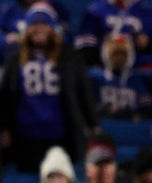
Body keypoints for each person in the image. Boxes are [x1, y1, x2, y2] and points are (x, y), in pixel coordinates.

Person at [0, 4, 96, 172]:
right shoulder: (15, 57)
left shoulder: (69, 56)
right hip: (25, 134)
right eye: (34, 25)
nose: (39, 29)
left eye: (43, 25)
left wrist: (92, 123)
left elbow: (83, 92)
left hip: (61, 133)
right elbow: (5, 96)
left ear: (53, 28)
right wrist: (4, 127)